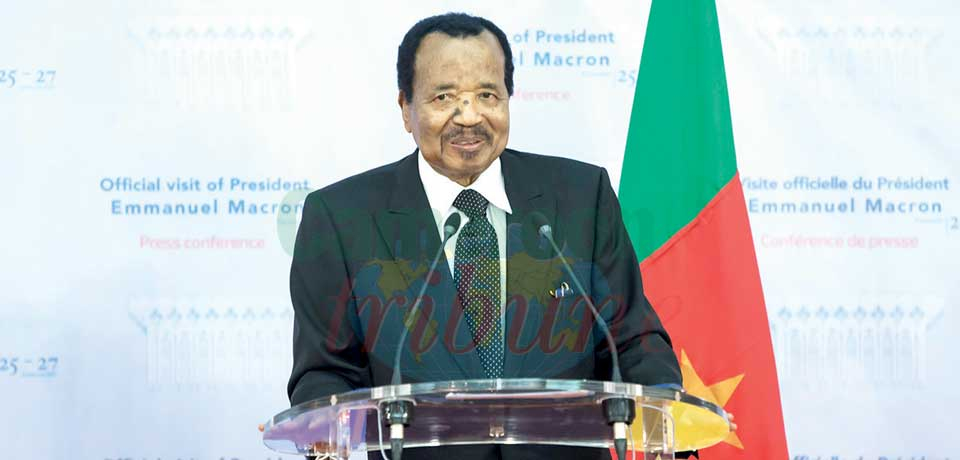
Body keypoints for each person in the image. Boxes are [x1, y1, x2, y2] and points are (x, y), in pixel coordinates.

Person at [286, 12, 682, 460]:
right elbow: (324, 373)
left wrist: (662, 412)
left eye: (487, 95)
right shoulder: (341, 217)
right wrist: (325, 434)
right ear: (405, 108)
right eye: (444, 97)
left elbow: (633, 341)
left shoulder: (580, 197)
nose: (468, 117)